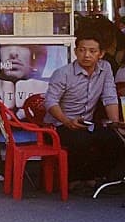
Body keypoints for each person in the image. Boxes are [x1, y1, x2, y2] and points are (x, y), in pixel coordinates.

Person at [42, 32, 125, 186]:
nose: (86, 55)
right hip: (58, 126)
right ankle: (75, 179)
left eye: (92, 51)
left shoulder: (105, 68)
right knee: (81, 140)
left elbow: (109, 96)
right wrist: (67, 121)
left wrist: (115, 124)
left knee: (114, 139)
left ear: (101, 54)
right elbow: (50, 102)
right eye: (82, 50)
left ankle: (100, 178)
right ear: (75, 52)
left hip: (86, 124)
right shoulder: (63, 73)